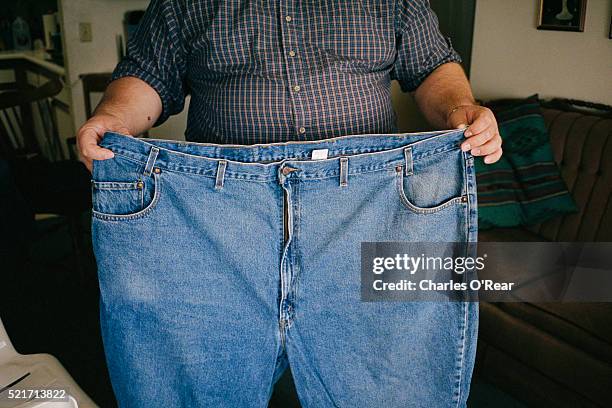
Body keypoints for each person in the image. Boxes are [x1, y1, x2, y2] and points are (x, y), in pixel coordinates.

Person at [79, 1, 501, 407]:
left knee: (387, 386)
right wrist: (114, 116)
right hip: (217, 218)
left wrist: (462, 107)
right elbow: (147, 75)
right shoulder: (184, 2)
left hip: (367, 211)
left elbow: (432, 67)